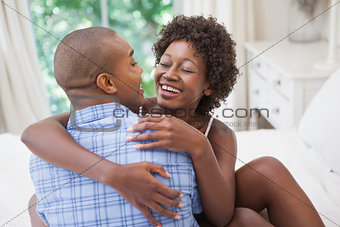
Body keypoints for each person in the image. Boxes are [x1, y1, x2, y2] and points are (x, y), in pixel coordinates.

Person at [23, 15, 324, 227]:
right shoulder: (138, 108)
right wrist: (113, 174)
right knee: (37, 200)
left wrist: (199, 147)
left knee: (266, 172)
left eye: (187, 69)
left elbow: (221, 216)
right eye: (165, 63)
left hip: (202, 213)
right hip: (161, 212)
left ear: (209, 85)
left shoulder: (217, 134)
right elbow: (35, 133)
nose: (169, 74)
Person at [26, 26, 203, 227]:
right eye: (133, 63)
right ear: (108, 83)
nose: (142, 69)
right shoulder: (171, 142)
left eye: (187, 69)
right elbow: (205, 213)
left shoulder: (42, 158)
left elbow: (33, 132)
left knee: (35, 203)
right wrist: (113, 174)